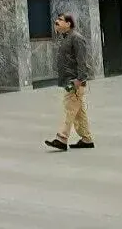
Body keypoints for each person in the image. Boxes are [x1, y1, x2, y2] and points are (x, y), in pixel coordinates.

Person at [45, 13, 95, 151]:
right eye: (56, 20)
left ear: (68, 24)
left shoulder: (76, 38)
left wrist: (79, 79)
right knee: (78, 112)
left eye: (60, 20)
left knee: (69, 109)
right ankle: (86, 139)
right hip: (68, 80)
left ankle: (62, 138)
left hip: (74, 81)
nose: (56, 22)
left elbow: (82, 61)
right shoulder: (66, 38)